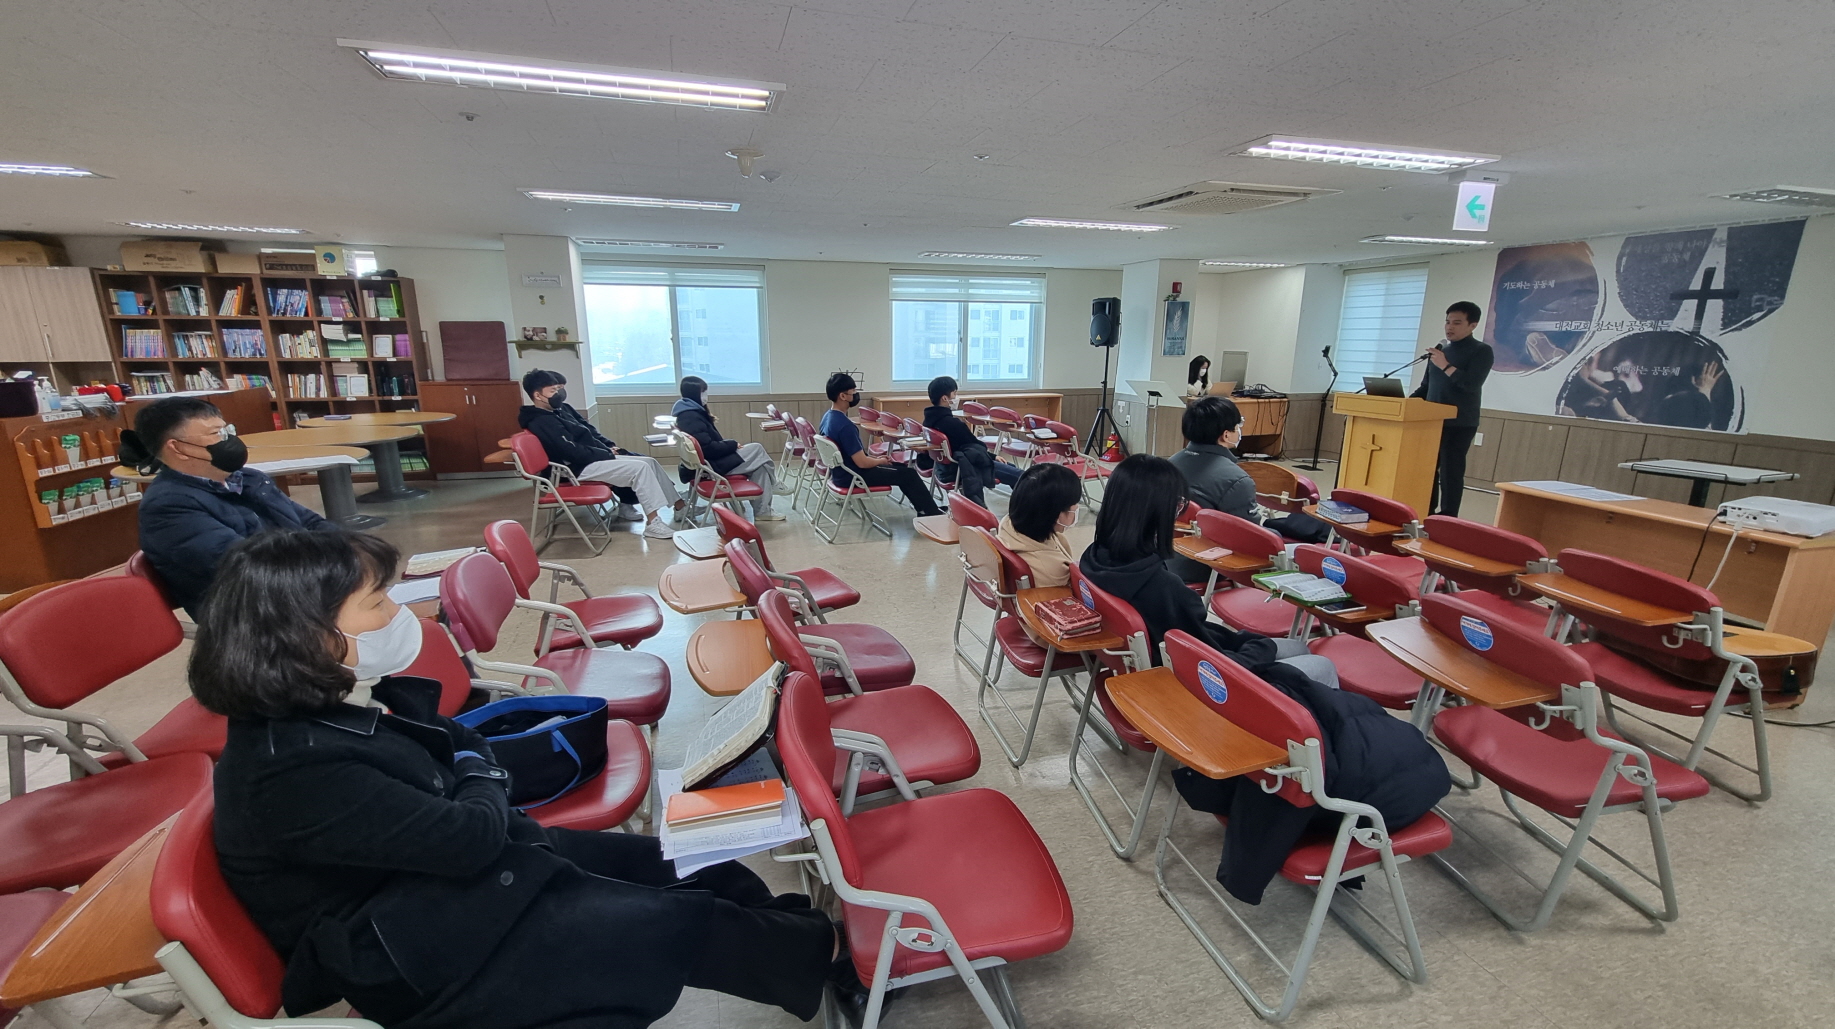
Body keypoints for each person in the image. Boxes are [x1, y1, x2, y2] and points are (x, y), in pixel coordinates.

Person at [198, 530, 857, 1029]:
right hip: (421, 947)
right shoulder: (290, 767)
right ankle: (831, 954)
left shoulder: (326, 705)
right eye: (377, 602)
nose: (398, 613)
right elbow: (470, 826)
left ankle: (798, 938)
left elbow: (460, 752)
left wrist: (472, 771)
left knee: (687, 859)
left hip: (444, 884)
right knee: (680, 923)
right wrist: (479, 773)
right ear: (309, 635)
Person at [1077, 454, 1339, 690]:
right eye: (1177, 505)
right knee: (1322, 665)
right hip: (1201, 684)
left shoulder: (1093, 557)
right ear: (1158, 514)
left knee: (1297, 646)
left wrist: (1252, 643)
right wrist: (1260, 646)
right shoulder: (1164, 588)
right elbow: (1213, 661)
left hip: (1160, 663)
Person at [118, 396, 337, 618]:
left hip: (300, 586)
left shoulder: (249, 478)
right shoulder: (168, 506)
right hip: (252, 614)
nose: (230, 440)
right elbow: (248, 568)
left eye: (228, 430)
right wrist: (330, 567)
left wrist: (349, 550)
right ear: (178, 448)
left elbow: (310, 522)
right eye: (217, 434)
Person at [1165, 397, 1329, 582]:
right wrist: (1275, 537)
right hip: (1210, 566)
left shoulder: (1170, 463)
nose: (1239, 430)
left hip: (1167, 557)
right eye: (1237, 426)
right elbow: (1251, 540)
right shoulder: (1236, 478)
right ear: (1226, 435)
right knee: (1299, 550)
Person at [518, 369, 685, 540]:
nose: (558, 394)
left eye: (558, 389)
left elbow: (587, 435)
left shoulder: (558, 411)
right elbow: (571, 451)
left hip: (589, 459)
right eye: (553, 391)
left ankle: (680, 506)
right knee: (640, 468)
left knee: (649, 461)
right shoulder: (540, 421)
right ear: (538, 395)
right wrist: (605, 453)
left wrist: (608, 448)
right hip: (574, 469)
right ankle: (653, 523)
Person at [1410, 301, 1494, 517]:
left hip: (1460, 423)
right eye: (1447, 322)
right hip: (1432, 421)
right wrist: (1404, 403)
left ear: (1473, 325)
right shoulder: (1440, 352)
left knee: (1451, 471)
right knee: (1427, 469)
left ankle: (1448, 516)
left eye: (1457, 323)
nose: (1449, 327)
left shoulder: (1481, 351)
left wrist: (1445, 365)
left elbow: (1470, 384)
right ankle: (1426, 511)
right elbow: (1426, 387)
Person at [817, 373, 943, 517]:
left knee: (901, 468)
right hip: (854, 477)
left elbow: (854, 456)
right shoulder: (845, 426)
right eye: (853, 391)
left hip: (840, 474)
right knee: (909, 474)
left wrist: (876, 459)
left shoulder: (828, 417)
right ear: (843, 396)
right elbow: (862, 463)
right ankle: (931, 513)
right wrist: (880, 461)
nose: (856, 394)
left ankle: (925, 510)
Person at [669, 375, 781, 521]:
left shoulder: (689, 412)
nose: (706, 395)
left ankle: (764, 511)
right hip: (711, 468)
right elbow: (708, 448)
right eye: (703, 392)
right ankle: (772, 489)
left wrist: (729, 445)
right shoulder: (690, 416)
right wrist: (732, 445)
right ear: (694, 393)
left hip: (709, 464)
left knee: (761, 466)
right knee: (757, 449)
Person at [921, 376, 1020, 508]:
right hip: (964, 468)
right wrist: (993, 456)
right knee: (1024, 476)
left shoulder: (928, 421)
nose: (956, 397)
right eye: (954, 394)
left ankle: (1021, 504)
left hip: (943, 468)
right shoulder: (952, 423)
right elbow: (976, 447)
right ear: (945, 398)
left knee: (1011, 467)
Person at [997, 463, 1082, 588]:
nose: (1076, 508)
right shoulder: (1055, 571)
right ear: (1055, 514)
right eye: (1073, 505)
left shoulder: (1009, 523)